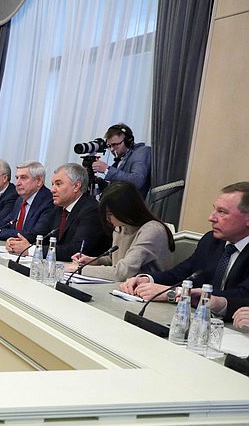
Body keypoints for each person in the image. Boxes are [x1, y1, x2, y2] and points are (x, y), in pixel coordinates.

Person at [119, 182, 249, 302]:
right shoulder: (211, 241)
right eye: (214, 209)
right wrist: (146, 279)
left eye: (222, 212)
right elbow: (179, 275)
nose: (211, 218)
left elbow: (242, 295)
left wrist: (173, 293)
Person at [64, 181, 174, 280]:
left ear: (125, 210)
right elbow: (114, 260)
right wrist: (92, 261)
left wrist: (80, 269)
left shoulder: (152, 230)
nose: (107, 219)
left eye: (110, 214)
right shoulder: (120, 227)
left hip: (146, 292)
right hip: (123, 289)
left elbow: (123, 272)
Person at [41, 163, 109, 262]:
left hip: (83, 272)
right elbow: (42, 234)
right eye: (52, 184)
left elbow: (75, 250)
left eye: (58, 184)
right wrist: (20, 244)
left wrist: (34, 250)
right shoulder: (59, 208)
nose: (52, 190)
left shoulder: (91, 210)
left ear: (76, 186)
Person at [0, 161, 53, 245]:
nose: (18, 183)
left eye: (23, 178)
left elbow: (35, 234)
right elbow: (6, 222)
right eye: (17, 178)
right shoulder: (20, 200)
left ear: (39, 181)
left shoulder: (48, 201)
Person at [91, 123, 152, 198]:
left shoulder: (141, 152)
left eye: (115, 144)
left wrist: (107, 170)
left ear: (128, 141)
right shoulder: (121, 158)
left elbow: (137, 181)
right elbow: (121, 187)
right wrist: (104, 185)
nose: (112, 149)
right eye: (109, 146)